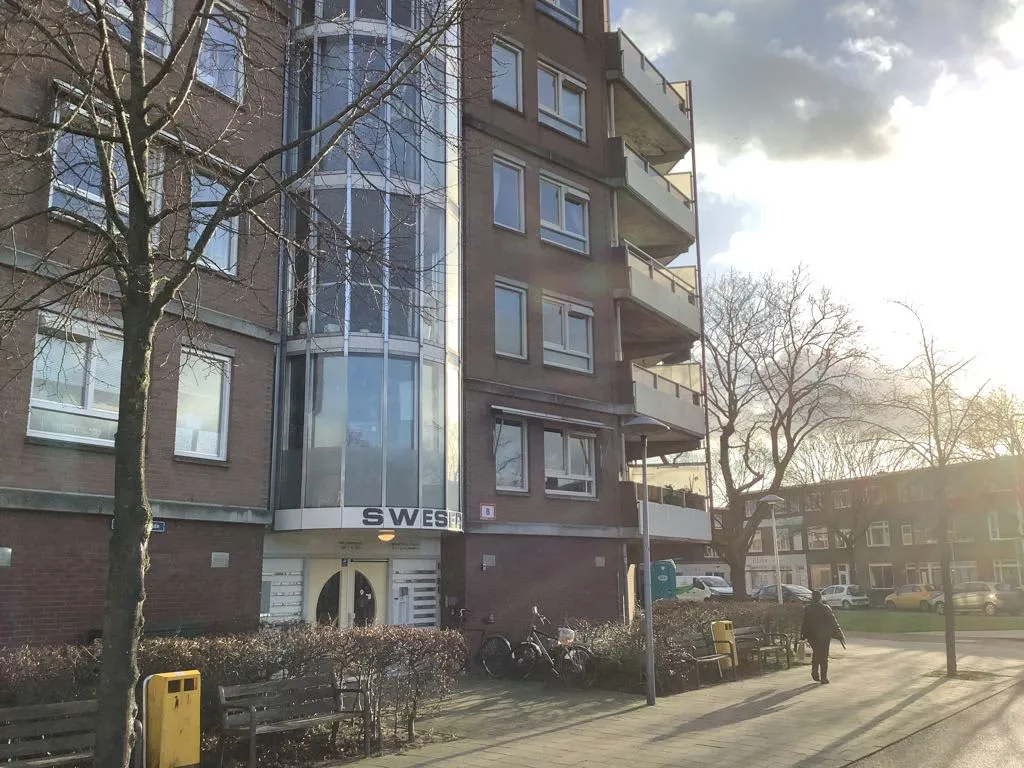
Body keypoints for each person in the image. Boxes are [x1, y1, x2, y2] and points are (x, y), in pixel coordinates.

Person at [800, 589, 846, 684]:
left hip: (812, 636)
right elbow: (833, 622)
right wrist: (839, 633)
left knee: (816, 653)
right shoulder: (825, 608)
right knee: (823, 656)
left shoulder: (808, 609)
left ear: (812, 598)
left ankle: (815, 672)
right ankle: (823, 677)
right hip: (824, 636)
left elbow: (804, 623)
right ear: (820, 598)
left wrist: (802, 634)